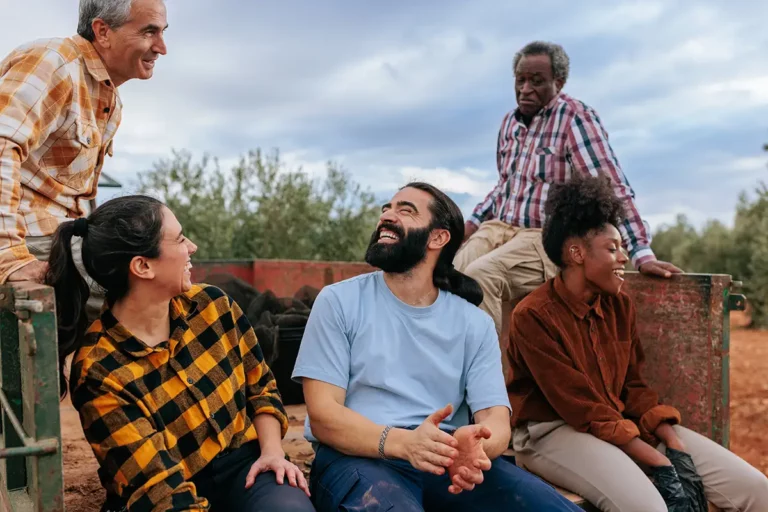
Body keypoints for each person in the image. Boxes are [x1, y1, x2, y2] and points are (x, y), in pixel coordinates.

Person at [291, 182, 581, 511]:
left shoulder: (474, 324)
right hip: (358, 457)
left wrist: (476, 449)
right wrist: (405, 443)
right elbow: (324, 415)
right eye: (386, 208)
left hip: (444, 455)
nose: (387, 216)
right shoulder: (339, 301)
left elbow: (496, 418)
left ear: (438, 238)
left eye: (405, 210)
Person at [506, 174, 768, 511]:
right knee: (651, 509)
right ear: (576, 253)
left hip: (618, 423)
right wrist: (660, 463)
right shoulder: (534, 315)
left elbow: (633, 387)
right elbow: (581, 407)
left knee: (758, 490)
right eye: (612, 248)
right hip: (551, 431)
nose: (623, 258)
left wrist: (675, 445)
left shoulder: (619, 305)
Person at [44, 195, 315, 512]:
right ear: (143, 266)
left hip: (247, 466)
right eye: (181, 239)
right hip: (167, 492)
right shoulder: (99, 371)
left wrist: (271, 452)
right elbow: (157, 492)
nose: (193, 247)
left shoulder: (214, 305)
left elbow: (261, 388)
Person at [454, 40, 681, 343]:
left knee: (482, 274)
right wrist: (471, 222)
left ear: (557, 83)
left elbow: (611, 186)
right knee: (453, 272)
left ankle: (482, 384)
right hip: (498, 227)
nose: (525, 89)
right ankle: (447, 372)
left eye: (537, 81)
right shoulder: (509, 123)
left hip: (538, 233)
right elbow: (504, 185)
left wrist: (640, 251)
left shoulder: (575, 119)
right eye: (520, 80)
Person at [0, 0, 167, 319]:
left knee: (166, 270)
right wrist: (9, 258)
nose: (161, 47)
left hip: (62, 235)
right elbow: (2, 144)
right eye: (149, 32)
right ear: (102, 31)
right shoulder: (54, 63)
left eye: (162, 32)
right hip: (26, 235)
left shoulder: (108, 99)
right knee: (145, 292)